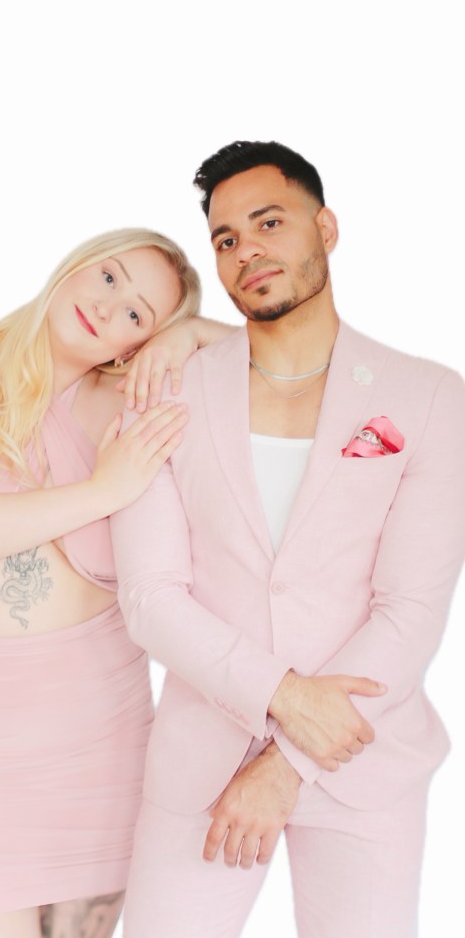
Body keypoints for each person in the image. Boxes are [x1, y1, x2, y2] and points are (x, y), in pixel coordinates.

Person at [110, 142, 465, 938]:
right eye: (226, 238)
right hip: (201, 761)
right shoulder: (165, 391)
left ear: (326, 229)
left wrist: (288, 762)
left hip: (364, 762)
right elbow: (151, 599)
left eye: (269, 223)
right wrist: (285, 697)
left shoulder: (429, 397)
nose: (247, 250)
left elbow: (409, 610)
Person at [0, 226, 231, 938]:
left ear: (137, 345)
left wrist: (194, 333)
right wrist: (105, 490)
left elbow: (299, 370)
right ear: (76, 264)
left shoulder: (131, 400)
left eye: (136, 313)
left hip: (99, 744)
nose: (107, 307)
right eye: (108, 277)